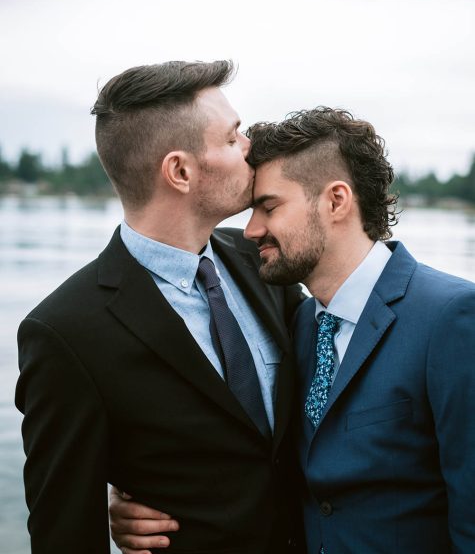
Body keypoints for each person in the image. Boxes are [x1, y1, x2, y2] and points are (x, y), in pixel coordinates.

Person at [113, 107, 475, 553]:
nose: (250, 230)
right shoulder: (299, 323)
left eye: (268, 207)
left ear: (336, 201)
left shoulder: (452, 316)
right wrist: (136, 500)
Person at [15, 61, 305, 554]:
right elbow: (64, 530)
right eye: (233, 138)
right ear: (180, 171)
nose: (250, 147)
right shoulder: (66, 332)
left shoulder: (263, 259)